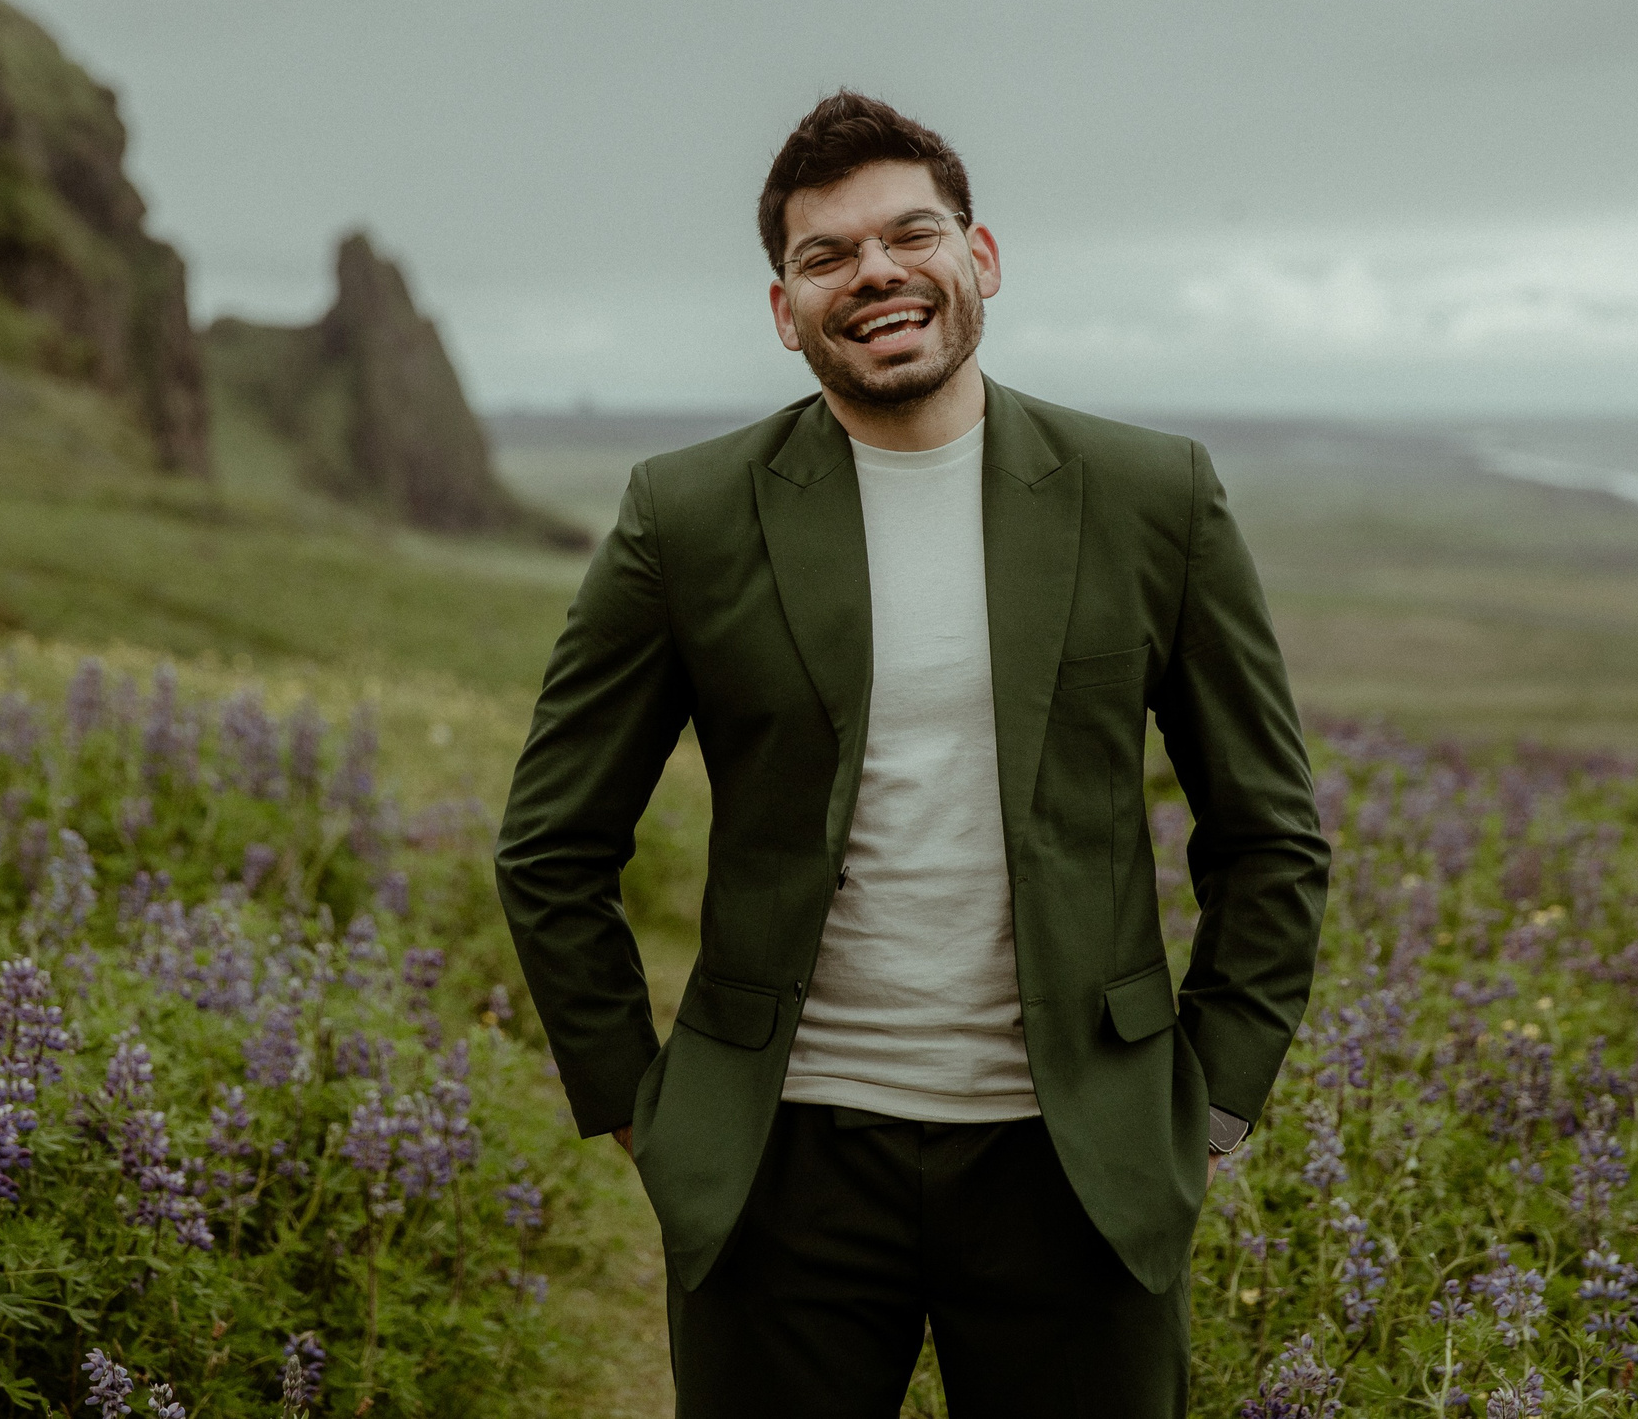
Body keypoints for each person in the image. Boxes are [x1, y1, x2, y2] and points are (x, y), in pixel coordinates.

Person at [495, 90, 1329, 1417]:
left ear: (978, 258)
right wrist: (640, 1105)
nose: (873, 269)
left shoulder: (1152, 496)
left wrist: (1212, 1099)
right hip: (780, 1162)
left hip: (1082, 1162)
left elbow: (1269, 830)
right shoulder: (688, 515)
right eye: (826, 254)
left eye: (908, 234)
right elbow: (551, 843)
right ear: (786, 309)